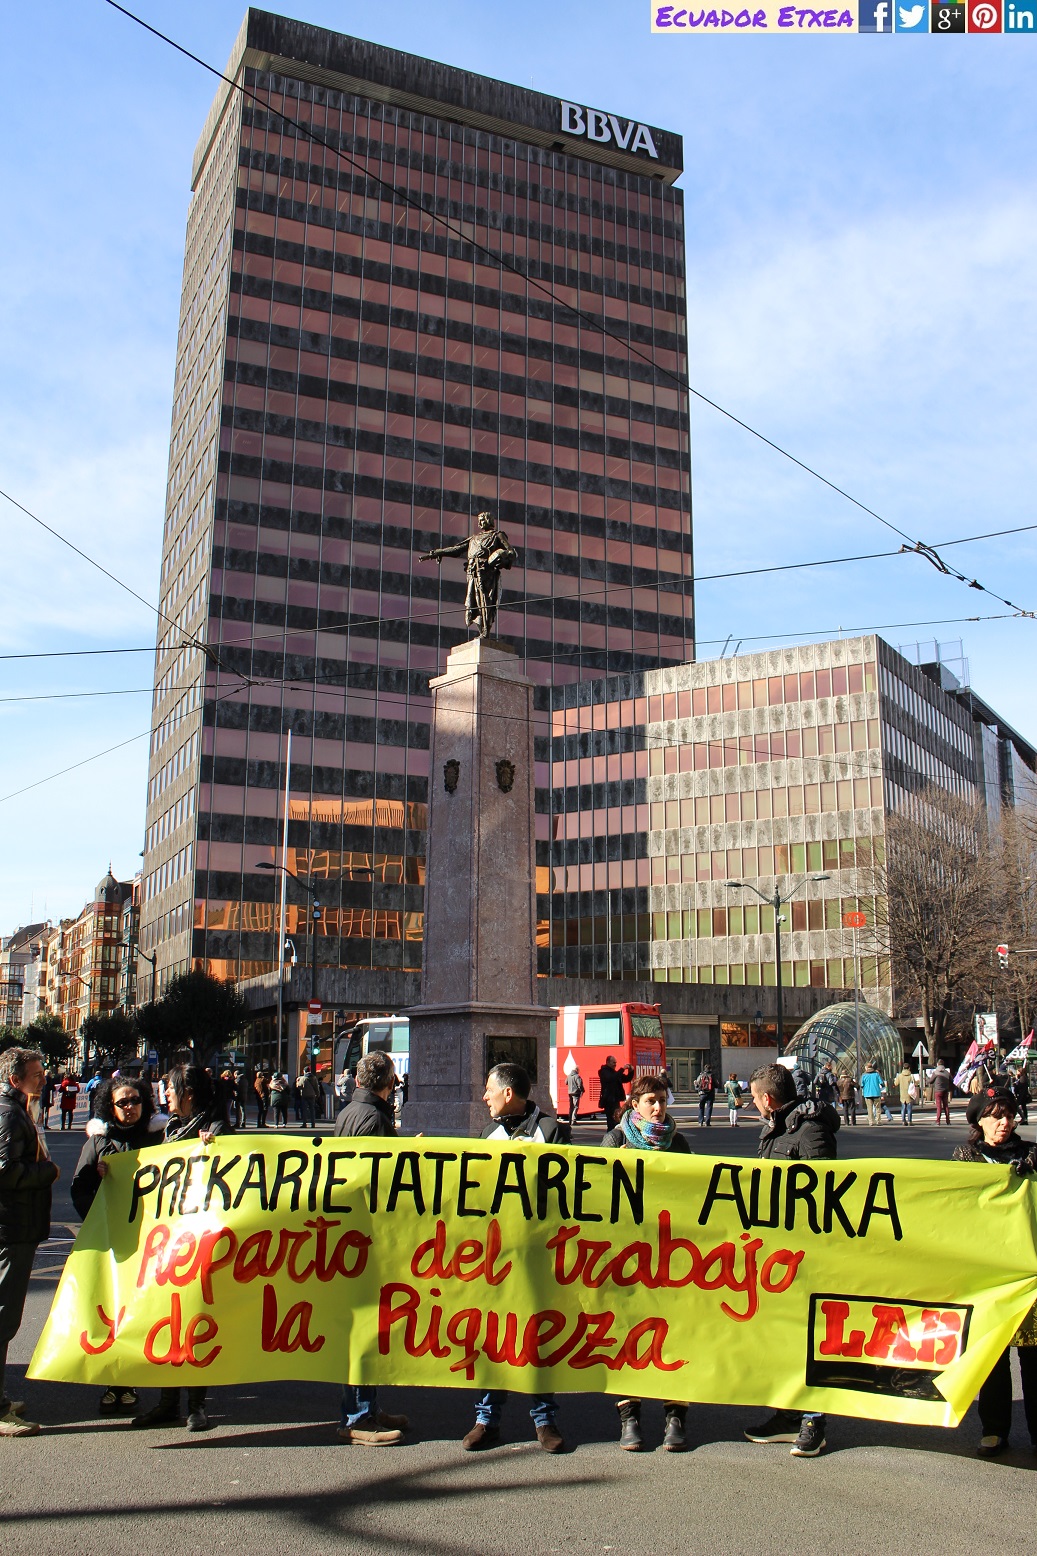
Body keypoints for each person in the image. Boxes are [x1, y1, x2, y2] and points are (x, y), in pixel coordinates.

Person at [462, 1063, 568, 1453]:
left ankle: (545, 1419)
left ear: (509, 1094)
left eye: (489, 1090)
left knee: (539, 1335)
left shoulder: (552, 1132)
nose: (484, 1096)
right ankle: (486, 1419)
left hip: (540, 1254)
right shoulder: (487, 1134)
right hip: (496, 1256)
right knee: (492, 1335)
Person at [743, 1062, 839, 1458]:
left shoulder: (810, 1129)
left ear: (767, 1099)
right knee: (783, 1336)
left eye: (754, 1097)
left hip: (805, 1251)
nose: (753, 1103)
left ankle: (814, 1421)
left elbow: (823, 1190)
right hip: (778, 1250)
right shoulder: (776, 1128)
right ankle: (787, 1414)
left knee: (809, 1336)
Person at [132, 1064, 232, 1433]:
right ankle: (167, 1402)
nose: (166, 1095)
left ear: (187, 1093)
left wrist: (215, 1150)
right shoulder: (173, 1128)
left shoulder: (217, 1129)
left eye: (171, 1089)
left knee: (196, 1319)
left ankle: (197, 1405)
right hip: (169, 1240)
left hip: (201, 1239)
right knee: (169, 1321)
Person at [601, 1073, 691, 1451]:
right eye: (650, 1101)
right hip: (628, 1252)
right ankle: (629, 1416)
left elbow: (693, 1193)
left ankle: (675, 1415)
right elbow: (599, 1193)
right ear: (634, 1104)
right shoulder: (615, 1140)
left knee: (676, 1331)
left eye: (662, 1100)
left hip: (671, 1252)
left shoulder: (679, 1142)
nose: (658, 1107)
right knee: (628, 1331)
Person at [70, 1076, 167, 1415]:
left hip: (153, 1240)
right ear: (109, 1107)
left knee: (145, 1310)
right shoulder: (98, 1141)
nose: (130, 1107)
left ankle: (138, 1376)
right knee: (114, 1311)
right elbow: (79, 1187)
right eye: (122, 1103)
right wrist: (97, 1217)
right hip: (114, 1242)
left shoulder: (161, 1137)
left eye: (135, 1100)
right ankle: (117, 1382)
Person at [952, 1086, 1037, 1456]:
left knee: (1034, 1358)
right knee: (992, 1355)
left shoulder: (1032, 1154)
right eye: (995, 1116)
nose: (1004, 1123)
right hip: (986, 1275)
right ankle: (994, 1429)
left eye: (1009, 1115)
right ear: (979, 1121)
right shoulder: (966, 1157)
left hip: (1028, 1273)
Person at [332, 1050, 411, 1446]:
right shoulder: (376, 1119)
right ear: (388, 1083)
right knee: (367, 1326)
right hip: (367, 1231)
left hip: (349, 1229)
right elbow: (377, 1177)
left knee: (364, 1324)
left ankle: (366, 1407)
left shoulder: (348, 1113)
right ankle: (359, 1416)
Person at [0, 1047, 59, 1436]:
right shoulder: (8, 1114)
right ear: (14, 1079)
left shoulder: (18, 1109)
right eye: (36, 1075)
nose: (43, 1079)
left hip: (17, 1226)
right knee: (3, 1317)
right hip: (12, 1228)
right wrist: (47, 1172)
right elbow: (5, 1171)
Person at [418, 510, 517, 638]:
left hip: (486, 571)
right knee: (473, 601)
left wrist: (500, 555)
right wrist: (439, 552)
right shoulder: (474, 538)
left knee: (485, 601)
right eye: (479, 521)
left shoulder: (497, 535)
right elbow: (456, 549)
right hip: (472, 572)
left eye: (482, 520)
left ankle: (485, 631)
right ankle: (482, 629)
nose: (480, 523)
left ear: (489, 520)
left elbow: (511, 552)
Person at [597, 1055, 632, 1126]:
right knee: (611, 1121)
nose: (615, 1064)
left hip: (615, 1099)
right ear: (608, 1062)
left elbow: (626, 1079)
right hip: (609, 1100)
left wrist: (631, 1071)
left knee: (616, 1119)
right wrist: (622, 1069)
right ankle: (611, 1132)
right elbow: (611, 1078)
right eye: (613, 1062)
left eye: (615, 1063)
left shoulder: (614, 1072)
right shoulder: (604, 1072)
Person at [932, 1060, 953, 1125]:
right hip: (945, 1090)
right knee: (946, 1106)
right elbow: (952, 1080)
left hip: (938, 1091)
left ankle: (938, 1121)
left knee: (939, 1106)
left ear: (937, 1064)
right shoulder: (947, 1073)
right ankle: (948, 1121)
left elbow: (930, 1081)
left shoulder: (935, 1072)